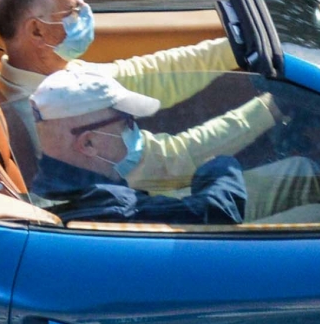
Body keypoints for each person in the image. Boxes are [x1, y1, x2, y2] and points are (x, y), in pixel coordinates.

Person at [0, 0, 276, 194]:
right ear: (37, 31)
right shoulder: (53, 114)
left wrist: (237, 45)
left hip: (153, 193)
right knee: (300, 181)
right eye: (72, 9)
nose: (85, 11)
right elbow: (172, 161)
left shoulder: (48, 76)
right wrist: (271, 109)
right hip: (156, 212)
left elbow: (148, 74)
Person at [26, 68, 247, 226]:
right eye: (127, 121)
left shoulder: (34, 189)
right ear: (88, 143)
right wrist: (220, 167)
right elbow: (217, 213)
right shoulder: (118, 208)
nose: (135, 130)